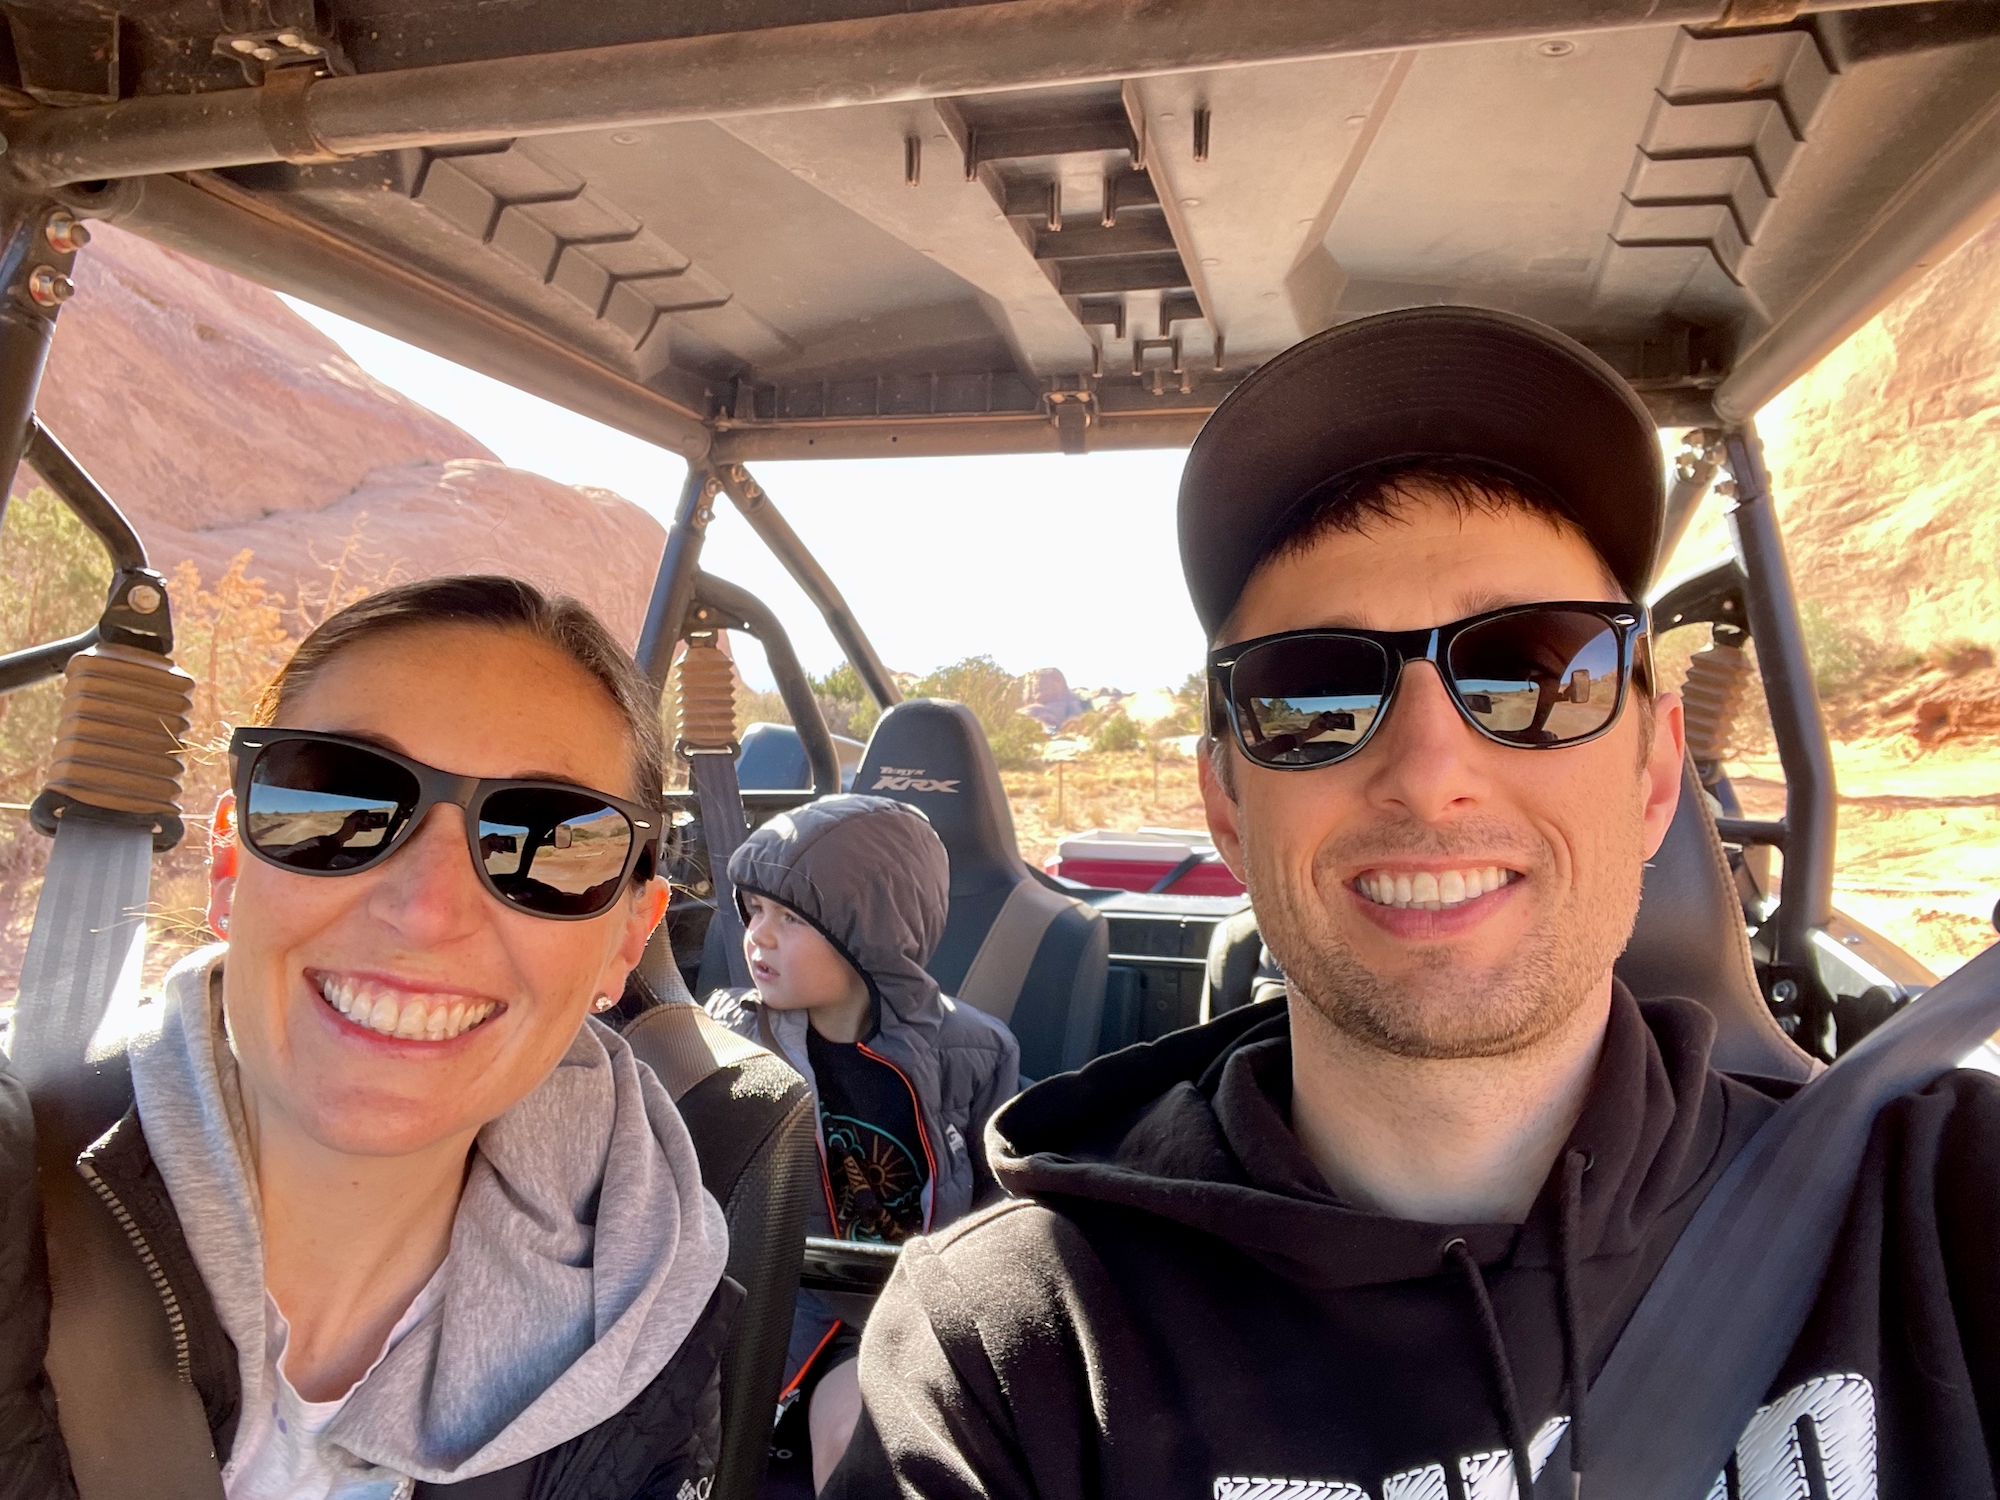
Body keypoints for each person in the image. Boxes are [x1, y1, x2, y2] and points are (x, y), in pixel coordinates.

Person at [823, 308, 2000, 1499]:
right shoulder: (1012, 1351)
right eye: (1314, 697)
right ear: (1228, 809)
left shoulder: (1944, 1204)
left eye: (1529, 675)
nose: (1430, 773)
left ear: (1652, 780)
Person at [6, 575, 733, 1499]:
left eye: (548, 843)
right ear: (230, 864)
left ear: (626, 940)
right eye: (342, 804)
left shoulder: (653, 1323)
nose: (426, 912)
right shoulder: (16, 1196)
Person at [704, 794, 1019, 1492]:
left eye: (791, 918)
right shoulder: (729, 1037)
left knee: (860, 1430)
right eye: (753, 910)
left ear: (869, 932)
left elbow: (999, 1208)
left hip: (904, 1310)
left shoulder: (972, 1051)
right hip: (776, 1305)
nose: (758, 937)